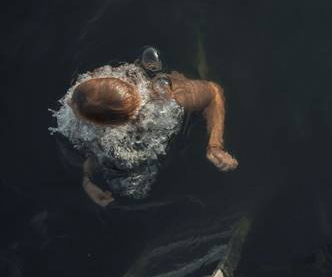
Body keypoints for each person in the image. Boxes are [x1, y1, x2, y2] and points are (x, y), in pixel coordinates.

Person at [50, 50, 238, 206]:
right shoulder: (107, 76)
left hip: (179, 87)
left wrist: (214, 144)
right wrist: (87, 180)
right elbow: (96, 152)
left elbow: (214, 91)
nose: (69, 104)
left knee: (133, 188)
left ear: (110, 125)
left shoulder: (167, 105)